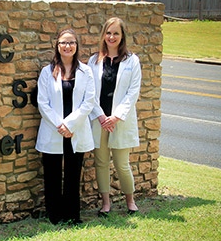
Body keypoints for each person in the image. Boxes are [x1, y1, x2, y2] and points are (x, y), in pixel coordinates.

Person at [35, 29, 95, 225]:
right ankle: (55, 215)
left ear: (77, 46)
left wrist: (70, 124)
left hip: (75, 130)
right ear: (57, 46)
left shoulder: (86, 71)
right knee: (52, 176)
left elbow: (89, 101)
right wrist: (60, 125)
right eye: (63, 42)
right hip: (54, 130)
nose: (67, 46)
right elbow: (42, 103)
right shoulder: (47, 71)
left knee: (73, 175)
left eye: (71, 42)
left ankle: (72, 215)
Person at [87, 17, 142, 217]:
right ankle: (106, 203)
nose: (112, 37)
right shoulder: (94, 61)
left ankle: (130, 201)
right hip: (99, 119)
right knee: (101, 162)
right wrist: (101, 116)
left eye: (116, 33)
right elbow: (89, 92)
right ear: (103, 35)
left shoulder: (132, 61)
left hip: (120, 120)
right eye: (108, 33)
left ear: (122, 36)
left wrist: (116, 117)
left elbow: (133, 92)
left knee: (122, 164)